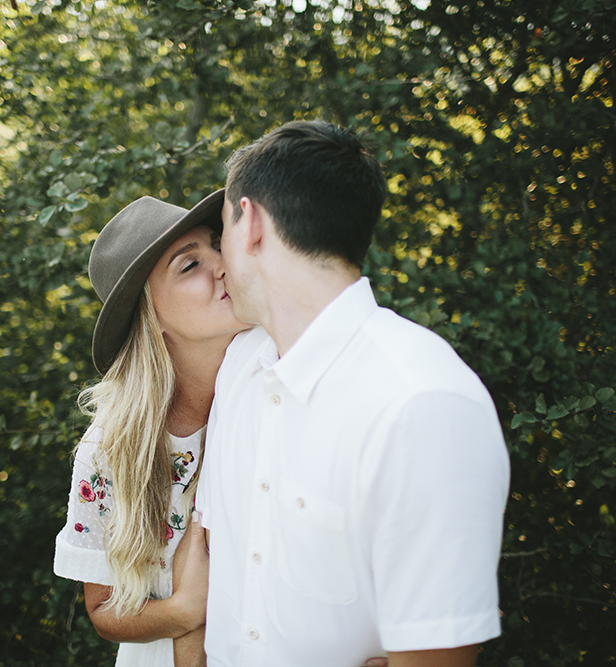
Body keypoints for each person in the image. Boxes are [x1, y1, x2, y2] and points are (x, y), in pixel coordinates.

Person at [195, 120, 511, 666]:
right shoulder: (239, 370)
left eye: (221, 231)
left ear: (249, 225)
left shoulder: (422, 403)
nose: (220, 260)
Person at [53, 191, 245, 666]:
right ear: (152, 317)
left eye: (217, 246)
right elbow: (102, 609)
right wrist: (182, 611)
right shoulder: (111, 448)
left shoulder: (277, 383)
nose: (221, 265)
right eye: (189, 265)